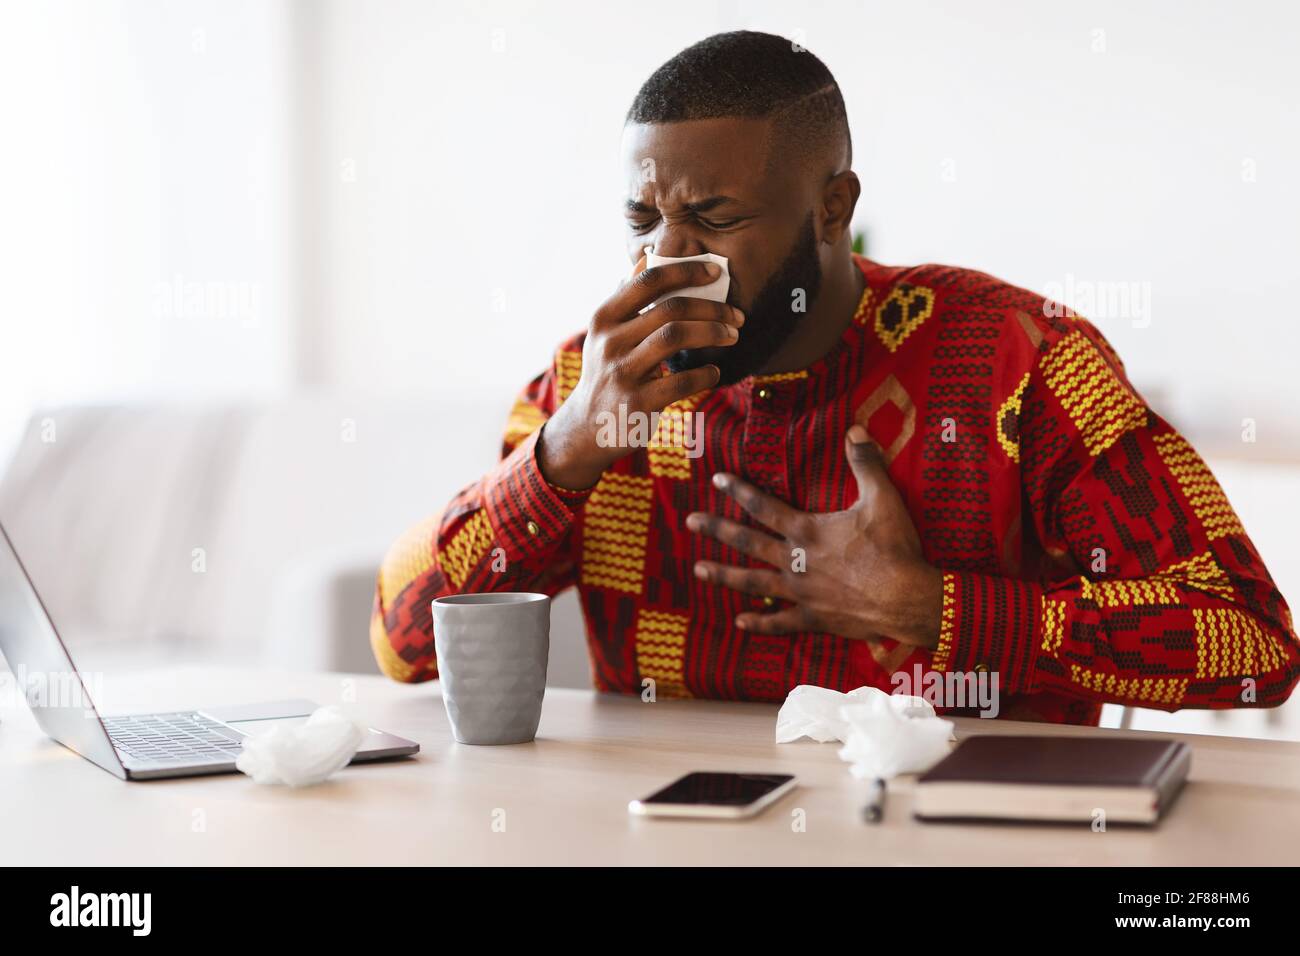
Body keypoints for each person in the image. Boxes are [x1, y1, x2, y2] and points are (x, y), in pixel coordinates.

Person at [370, 31, 1298, 724]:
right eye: (641, 218)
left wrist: (933, 607)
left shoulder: (1023, 361)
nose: (668, 257)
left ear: (833, 207)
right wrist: (564, 452)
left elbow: (1251, 643)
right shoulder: (592, 386)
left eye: (715, 216)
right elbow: (399, 641)